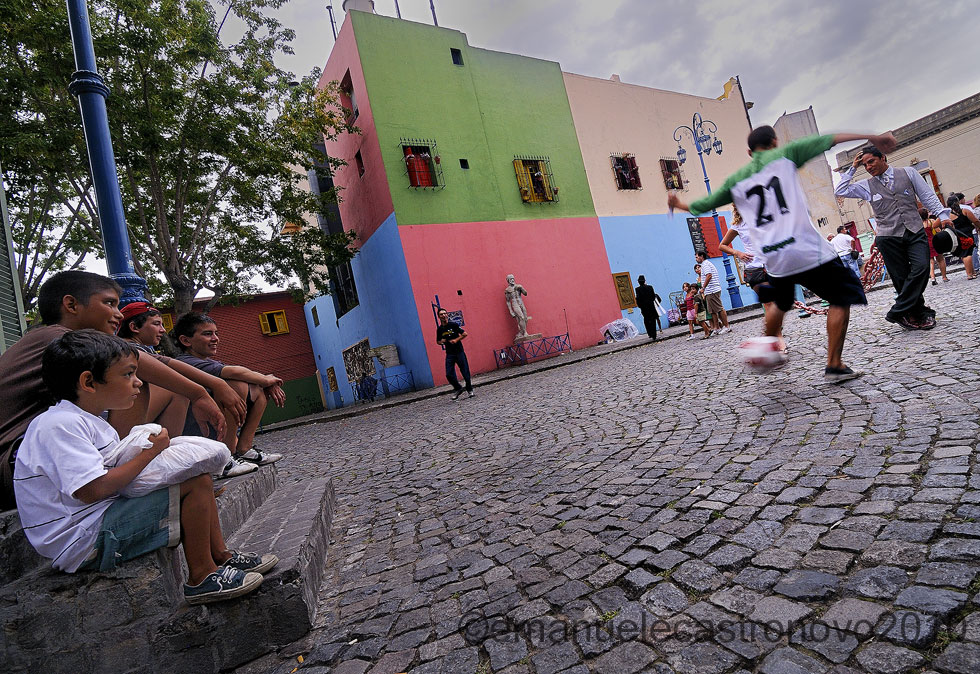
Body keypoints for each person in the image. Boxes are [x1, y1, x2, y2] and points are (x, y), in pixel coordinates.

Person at [13, 330, 277, 604]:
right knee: (194, 484)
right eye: (128, 374)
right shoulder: (59, 425)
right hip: (82, 540)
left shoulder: (91, 422)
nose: (138, 382)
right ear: (89, 382)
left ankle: (221, 556)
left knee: (197, 475)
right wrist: (151, 452)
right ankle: (202, 576)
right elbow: (92, 490)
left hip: (97, 521)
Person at [669, 125, 898, 382]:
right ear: (775, 142)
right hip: (807, 249)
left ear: (749, 152)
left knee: (780, 302)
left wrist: (678, 203)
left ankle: (766, 347)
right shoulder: (786, 155)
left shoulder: (736, 180)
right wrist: (873, 137)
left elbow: (703, 205)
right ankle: (834, 365)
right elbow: (830, 139)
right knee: (840, 298)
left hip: (775, 258)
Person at [0, 271, 241, 509]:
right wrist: (200, 393)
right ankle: (137, 476)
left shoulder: (55, 339)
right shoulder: (57, 339)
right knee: (138, 383)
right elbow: (143, 364)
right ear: (71, 305)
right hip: (17, 466)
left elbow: (160, 361)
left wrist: (211, 386)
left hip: (40, 459)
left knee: (166, 388)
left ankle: (166, 472)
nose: (118, 314)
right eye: (109, 303)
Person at [835, 146, 951, 329]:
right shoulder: (866, 185)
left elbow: (927, 196)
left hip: (914, 230)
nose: (868, 167)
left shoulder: (908, 173)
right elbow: (841, 191)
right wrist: (853, 168)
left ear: (883, 158)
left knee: (921, 267)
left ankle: (898, 311)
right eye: (865, 165)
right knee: (901, 278)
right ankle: (917, 314)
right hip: (888, 236)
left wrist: (942, 215)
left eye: (871, 161)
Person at [173, 313, 285, 476]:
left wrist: (267, 383)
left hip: (212, 424)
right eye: (207, 334)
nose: (215, 339)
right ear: (185, 340)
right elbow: (234, 372)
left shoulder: (209, 362)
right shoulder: (186, 362)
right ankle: (225, 456)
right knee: (236, 385)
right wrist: (267, 379)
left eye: (216, 333)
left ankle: (244, 448)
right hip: (196, 431)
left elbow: (242, 373)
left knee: (258, 388)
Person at [718, 206, 788, 352]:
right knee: (769, 304)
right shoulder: (738, 225)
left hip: (773, 266)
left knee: (777, 305)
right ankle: (778, 340)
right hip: (755, 270)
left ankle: (771, 334)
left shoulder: (765, 217)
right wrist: (738, 253)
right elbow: (722, 245)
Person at [435, 308, 473, 399]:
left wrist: (456, 340)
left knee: (465, 372)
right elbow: (438, 341)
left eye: (445, 313)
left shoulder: (453, 325)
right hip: (449, 354)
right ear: (439, 317)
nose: (444, 315)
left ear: (447, 315)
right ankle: (458, 388)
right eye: (441, 314)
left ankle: (469, 389)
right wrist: (441, 341)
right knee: (449, 374)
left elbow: (465, 334)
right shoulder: (439, 329)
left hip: (459, 352)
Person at [694, 251, 731, 334]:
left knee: (719, 309)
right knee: (712, 311)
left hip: (712, 290)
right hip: (709, 291)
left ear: (701, 256)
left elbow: (709, 275)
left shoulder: (706, 264)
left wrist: (703, 287)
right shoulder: (704, 265)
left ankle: (726, 326)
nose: (696, 259)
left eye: (697, 257)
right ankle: (716, 328)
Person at [947, 195, 979, 279]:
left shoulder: (948, 215)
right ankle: (970, 274)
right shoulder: (965, 211)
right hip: (968, 234)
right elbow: (975, 220)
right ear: (958, 202)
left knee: (964, 254)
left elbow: (937, 224)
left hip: (958, 235)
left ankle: (972, 272)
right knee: (968, 254)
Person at [921, 208, 949, 284]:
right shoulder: (931, 221)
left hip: (926, 243)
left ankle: (932, 277)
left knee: (931, 261)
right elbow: (938, 231)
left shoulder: (919, 224)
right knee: (940, 259)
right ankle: (944, 277)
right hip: (935, 241)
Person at [634, 275, 662, 340]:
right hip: (651, 307)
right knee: (653, 320)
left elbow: (638, 299)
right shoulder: (650, 287)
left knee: (647, 321)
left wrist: (640, 306)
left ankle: (650, 333)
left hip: (644, 308)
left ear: (638, 282)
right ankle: (654, 334)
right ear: (644, 281)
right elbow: (653, 297)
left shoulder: (637, 289)